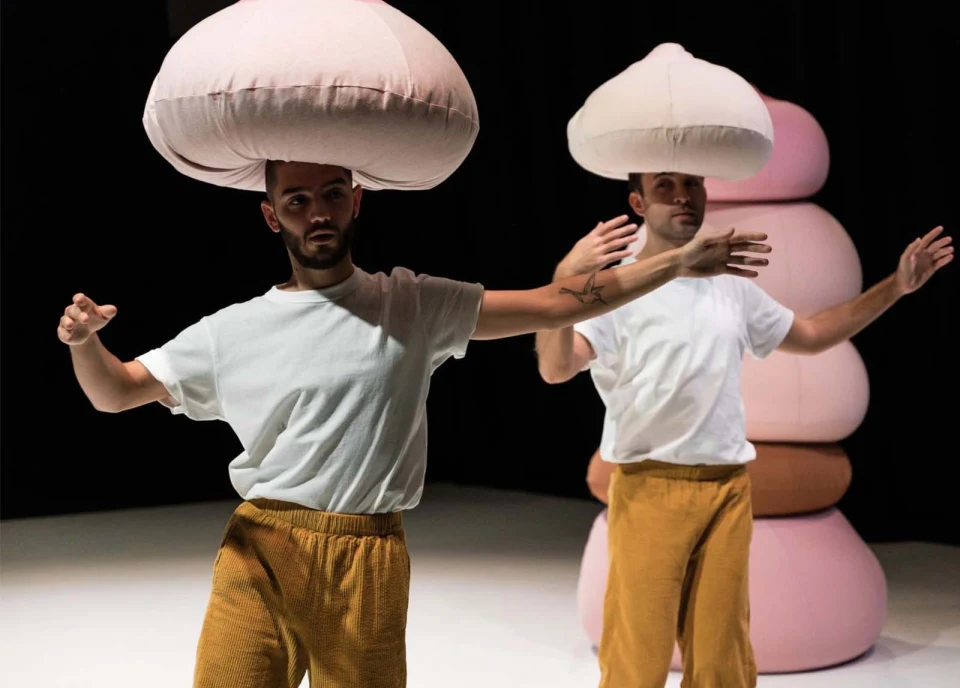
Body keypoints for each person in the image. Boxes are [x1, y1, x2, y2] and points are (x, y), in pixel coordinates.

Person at [57, 160, 772, 688]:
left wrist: (675, 263)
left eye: (333, 193)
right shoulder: (232, 330)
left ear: (357, 198)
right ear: (272, 215)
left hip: (366, 554)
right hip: (260, 549)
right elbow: (116, 393)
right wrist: (85, 344)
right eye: (297, 199)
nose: (318, 212)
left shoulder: (413, 304)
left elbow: (556, 304)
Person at [534, 170, 953, 688]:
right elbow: (555, 368)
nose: (684, 196)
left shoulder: (731, 288)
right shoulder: (617, 288)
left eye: (693, 184)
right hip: (649, 488)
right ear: (637, 203)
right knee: (635, 658)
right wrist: (563, 282)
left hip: (727, 488)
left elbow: (815, 334)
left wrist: (897, 286)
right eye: (665, 185)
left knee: (723, 660)